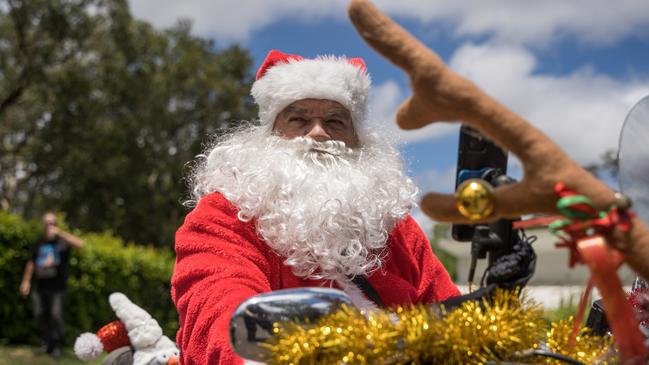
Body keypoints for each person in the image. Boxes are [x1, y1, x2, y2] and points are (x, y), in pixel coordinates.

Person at [171, 50, 460, 364]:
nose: (318, 132)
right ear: (270, 134)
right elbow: (219, 309)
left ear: (358, 141)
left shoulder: (399, 230)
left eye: (335, 121)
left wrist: (496, 298)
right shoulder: (222, 216)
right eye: (299, 119)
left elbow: (449, 313)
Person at [19, 212, 84, 357]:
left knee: (56, 316)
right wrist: (26, 281)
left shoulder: (62, 241)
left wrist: (60, 233)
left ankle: (58, 346)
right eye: (47, 223)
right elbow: (31, 262)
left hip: (58, 287)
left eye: (53, 223)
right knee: (40, 315)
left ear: (56, 224)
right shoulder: (39, 242)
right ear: (43, 225)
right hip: (40, 286)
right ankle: (48, 343)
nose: (50, 226)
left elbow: (80, 244)